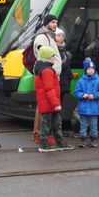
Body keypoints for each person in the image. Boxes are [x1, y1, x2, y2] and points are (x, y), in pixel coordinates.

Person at [34, 46, 73, 152]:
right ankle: (45, 145)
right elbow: (49, 89)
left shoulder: (42, 68)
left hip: (48, 102)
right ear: (47, 57)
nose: (54, 58)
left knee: (55, 122)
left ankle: (59, 142)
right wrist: (56, 103)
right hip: (49, 103)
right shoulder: (47, 70)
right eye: (52, 56)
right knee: (48, 124)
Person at [32, 14, 61, 144]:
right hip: (47, 74)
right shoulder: (42, 37)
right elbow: (42, 53)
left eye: (56, 22)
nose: (55, 24)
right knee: (43, 107)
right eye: (53, 22)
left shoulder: (49, 36)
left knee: (46, 106)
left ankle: (45, 134)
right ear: (47, 23)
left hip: (52, 74)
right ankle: (39, 134)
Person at [73, 57, 99, 148]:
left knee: (93, 125)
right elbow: (76, 92)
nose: (91, 70)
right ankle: (83, 140)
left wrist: (95, 96)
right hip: (83, 109)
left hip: (94, 109)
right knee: (83, 125)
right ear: (85, 70)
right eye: (88, 69)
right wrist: (82, 95)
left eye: (92, 69)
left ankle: (93, 140)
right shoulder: (80, 81)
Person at [55, 27, 73, 132]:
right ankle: (56, 130)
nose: (61, 37)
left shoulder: (63, 49)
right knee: (57, 107)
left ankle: (58, 129)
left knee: (60, 106)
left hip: (64, 82)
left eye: (62, 35)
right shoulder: (55, 49)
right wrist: (67, 61)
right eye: (58, 35)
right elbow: (59, 66)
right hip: (58, 82)